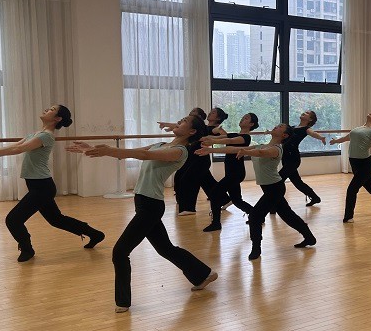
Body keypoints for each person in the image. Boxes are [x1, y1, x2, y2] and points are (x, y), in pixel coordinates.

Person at [67, 115, 218, 312]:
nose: (178, 122)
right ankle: (203, 274)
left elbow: (144, 156)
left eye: (183, 122)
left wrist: (108, 150)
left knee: (120, 251)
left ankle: (122, 302)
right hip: (143, 202)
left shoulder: (180, 151)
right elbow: (133, 153)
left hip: (151, 206)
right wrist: (93, 148)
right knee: (165, 248)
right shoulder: (161, 144)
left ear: (192, 131)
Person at [0, 105, 104, 263]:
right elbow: (15, 146)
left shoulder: (47, 136)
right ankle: (95, 234)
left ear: (57, 118)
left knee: (13, 220)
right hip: (38, 186)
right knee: (56, 219)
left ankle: (27, 249)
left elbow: (19, 149)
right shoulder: (36, 134)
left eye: (52, 109)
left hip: (42, 188)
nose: (47, 109)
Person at [199, 123, 316, 261]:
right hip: (269, 188)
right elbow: (233, 149)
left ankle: (256, 248)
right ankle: (309, 237)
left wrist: (246, 152)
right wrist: (211, 150)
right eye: (277, 125)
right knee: (287, 215)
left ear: (284, 135)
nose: (276, 127)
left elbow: (261, 154)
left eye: (280, 127)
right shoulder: (261, 145)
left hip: (275, 188)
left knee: (255, 217)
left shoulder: (277, 149)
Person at [198, 112, 259, 232]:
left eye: (246, 118)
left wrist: (212, 144)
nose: (242, 118)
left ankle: (216, 223)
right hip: (231, 173)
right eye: (243, 117)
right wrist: (204, 138)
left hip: (236, 173)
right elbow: (220, 137)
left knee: (214, 193)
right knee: (237, 200)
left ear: (251, 124)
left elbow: (229, 141)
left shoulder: (245, 137)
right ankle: (256, 216)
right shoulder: (235, 134)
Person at [330, 112, 371, 222]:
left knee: (352, 189)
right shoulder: (357, 129)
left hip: (365, 164)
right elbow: (347, 138)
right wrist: (336, 141)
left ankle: (348, 216)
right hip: (354, 163)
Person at [170, 107, 227, 216]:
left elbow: (224, 135)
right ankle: (224, 199)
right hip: (194, 158)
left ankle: (188, 208)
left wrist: (211, 138)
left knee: (188, 180)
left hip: (200, 159)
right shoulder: (204, 127)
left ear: (218, 118)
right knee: (207, 182)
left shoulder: (212, 129)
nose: (210, 113)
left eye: (213, 113)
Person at [280, 110, 328, 207]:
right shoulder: (292, 127)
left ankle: (273, 203)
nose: (304, 113)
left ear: (310, 119)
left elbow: (313, 133)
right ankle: (315, 197)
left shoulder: (306, 129)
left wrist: (321, 138)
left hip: (293, 158)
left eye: (307, 113)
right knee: (297, 182)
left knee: (278, 180)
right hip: (285, 157)